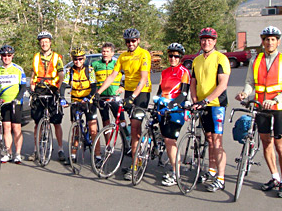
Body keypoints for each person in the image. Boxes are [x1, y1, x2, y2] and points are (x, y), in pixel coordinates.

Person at [235, 26, 282, 198]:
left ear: (278, 41)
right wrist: (245, 93)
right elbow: (250, 82)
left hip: (279, 108)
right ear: (262, 41)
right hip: (261, 108)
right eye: (267, 39)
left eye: (273, 39)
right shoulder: (256, 60)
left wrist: (276, 100)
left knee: (280, 145)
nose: (270, 42)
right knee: (266, 142)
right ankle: (274, 177)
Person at [96, 28, 152, 181]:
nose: (131, 43)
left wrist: (133, 96)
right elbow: (113, 75)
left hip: (141, 93)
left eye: (133, 40)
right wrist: (99, 92)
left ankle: (136, 163)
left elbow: (143, 78)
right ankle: (135, 153)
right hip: (128, 92)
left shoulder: (144, 54)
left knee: (134, 127)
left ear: (138, 40)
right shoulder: (123, 57)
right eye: (128, 41)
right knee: (129, 127)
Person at [190, 27, 230, 192]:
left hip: (216, 105)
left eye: (209, 40)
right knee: (209, 139)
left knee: (217, 141)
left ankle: (220, 178)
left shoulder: (221, 58)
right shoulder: (196, 60)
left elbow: (223, 84)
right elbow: (193, 83)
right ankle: (212, 170)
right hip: (201, 105)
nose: (206, 42)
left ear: (215, 41)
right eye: (203, 39)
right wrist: (194, 100)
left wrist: (206, 100)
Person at [153, 43, 190, 186]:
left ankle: (176, 173)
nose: (173, 58)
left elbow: (184, 94)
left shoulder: (184, 72)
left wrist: (171, 105)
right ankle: (170, 160)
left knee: (170, 140)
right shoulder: (165, 72)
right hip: (163, 108)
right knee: (165, 138)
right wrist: (156, 103)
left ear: (180, 57)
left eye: (176, 56)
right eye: (171, 56)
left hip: (176, 110)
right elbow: (159, 90)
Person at [29, 31, 66, 162]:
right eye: (42, 41)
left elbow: (61, 74)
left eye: (46, 41)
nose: (44, 43)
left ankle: (60, 149)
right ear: (40, 43)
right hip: (39, 90)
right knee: (37, 122)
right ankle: (36, 149)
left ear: (50, 42)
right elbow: (33, 73)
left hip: (52, 89)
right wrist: (32, 85)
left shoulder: (57, 57)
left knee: (56, 122)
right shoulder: (36, 57)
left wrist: (58, 89)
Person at [60, 47, 100, 166]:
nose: (78, 61)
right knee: (75, 129)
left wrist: (88, 97)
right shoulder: (69, 71)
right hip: (75, 102)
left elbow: (93, 87)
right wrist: (62, 97)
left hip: (88, 102)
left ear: (84, 59)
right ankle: (73, 155)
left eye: (80, 59)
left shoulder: (90, 70)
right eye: (75, 59)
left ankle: (98, 156)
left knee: (93, 130)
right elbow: (63, 85)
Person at [0, 45, 27, 164]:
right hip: (4, 103)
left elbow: (23, 87)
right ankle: (8, 153)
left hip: (15, 103)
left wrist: (18, 98)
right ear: (1, 57)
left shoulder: (18, 69)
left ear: (12, 56)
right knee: (6, 128)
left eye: (8, 55)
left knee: (16, 128)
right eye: (4, 56)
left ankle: (18, 153)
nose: (6, 58)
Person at [91, 42, 126, 130]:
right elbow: (91, 79)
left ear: (112, 53)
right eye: (103, 51)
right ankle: (108, 143)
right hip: (101, 96)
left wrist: (122, 86)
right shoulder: (95, 64)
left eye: (107, 51)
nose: (105, 53)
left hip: (114, 96)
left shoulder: (117, 64)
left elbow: (127, 76)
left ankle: (127, 139)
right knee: (105, 121)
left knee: (121, 120)